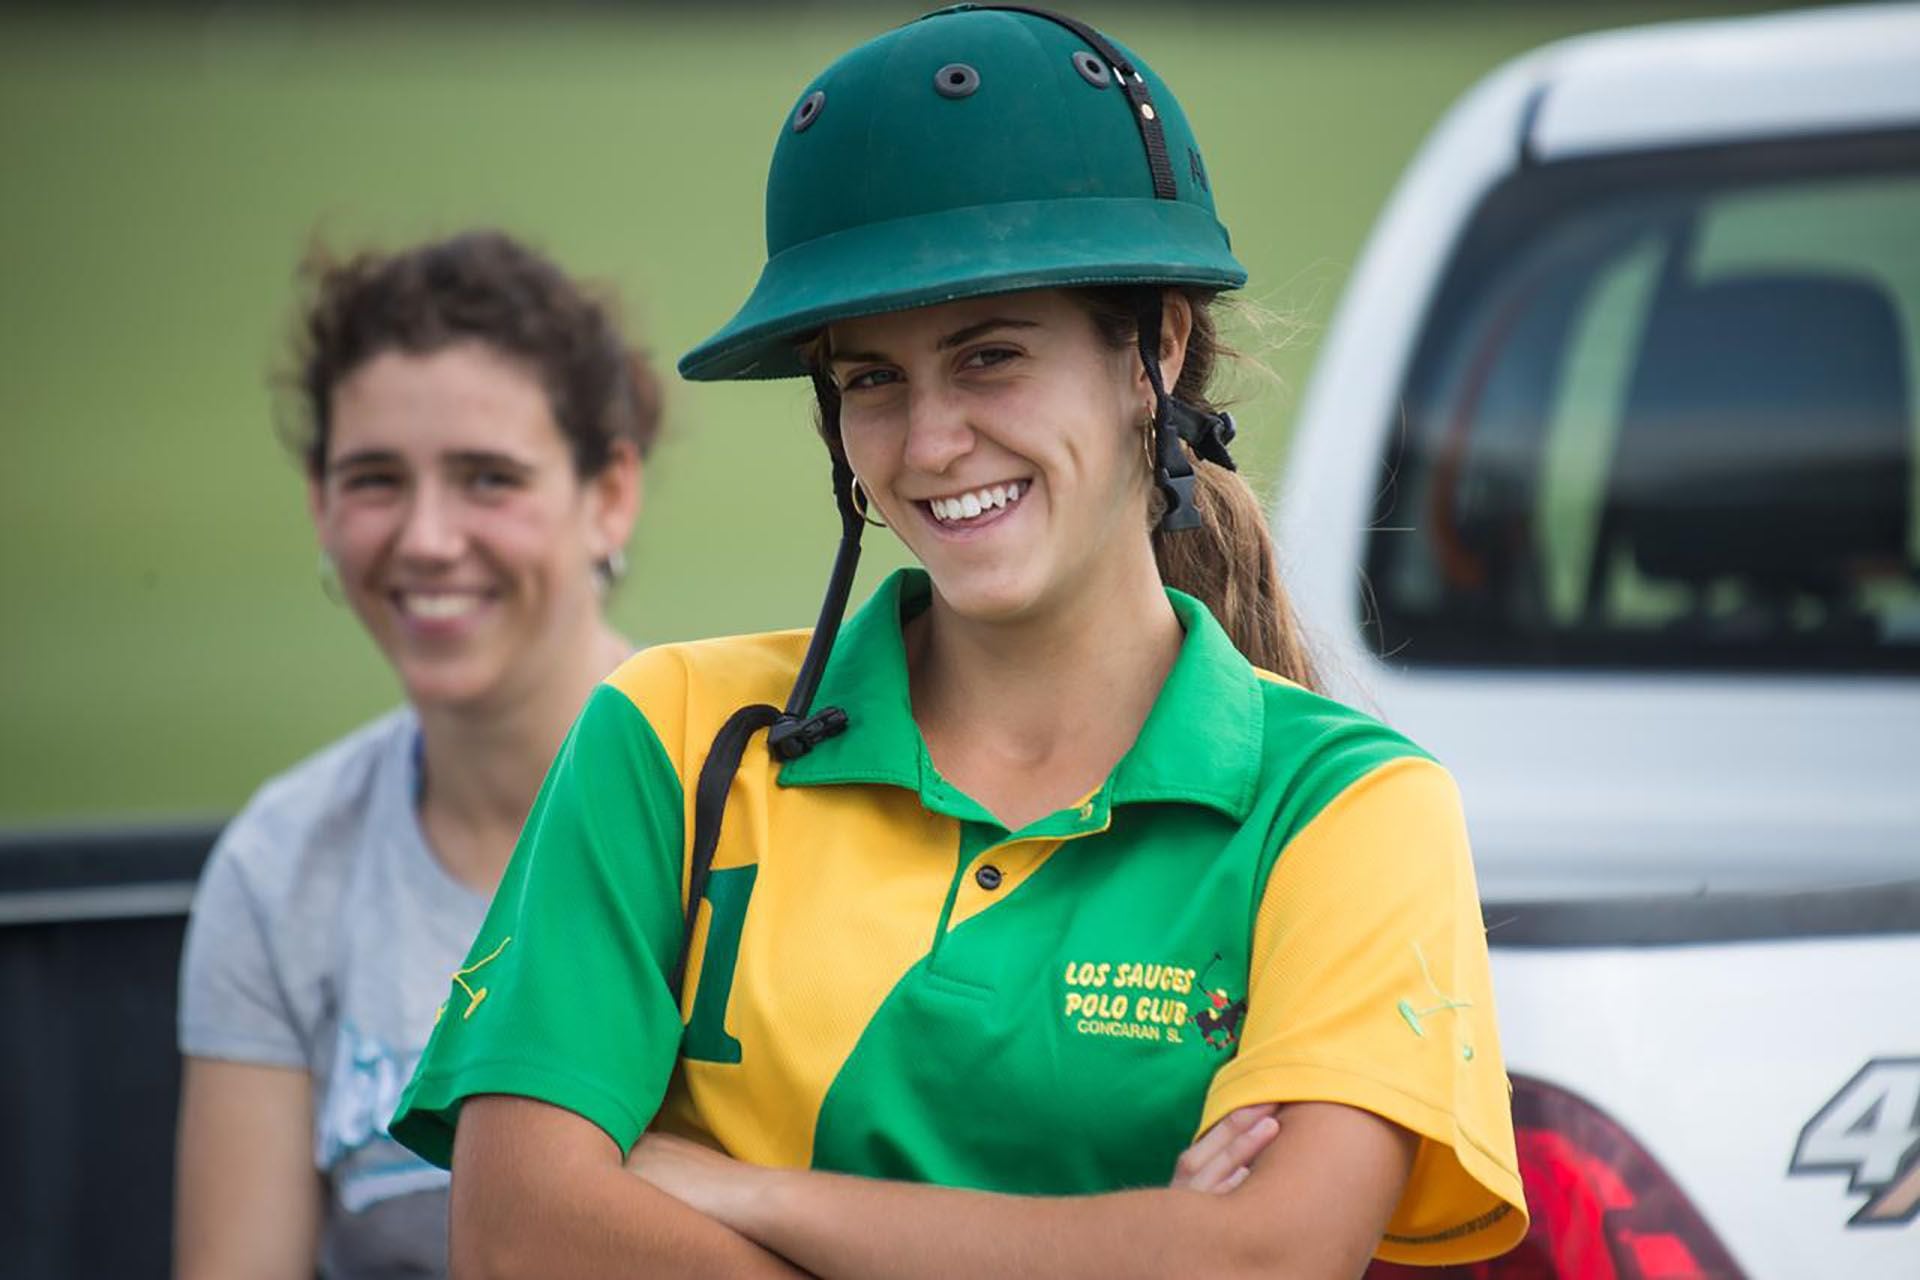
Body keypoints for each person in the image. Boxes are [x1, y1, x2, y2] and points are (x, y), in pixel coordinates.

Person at [391, 8, 1528, 1278]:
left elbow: (1265, 1255)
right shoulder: (670, 732)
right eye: (871, 378)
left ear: (1152, 346)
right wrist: (1135, 1241)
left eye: (990, 357)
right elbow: (517, 1232)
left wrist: (748, 1193)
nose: (929, 445)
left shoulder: (1355, 805)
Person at [174, 230, 658, 1280]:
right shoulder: (283, 863)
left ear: (609, 495)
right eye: (376, 479)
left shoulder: (751, 799)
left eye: (489, 479)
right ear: (318, 501)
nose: (429, 537)